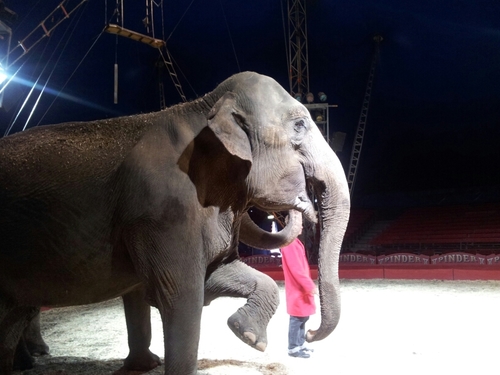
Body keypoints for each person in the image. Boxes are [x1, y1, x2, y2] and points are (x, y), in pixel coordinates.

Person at [280, 237, 317, 358]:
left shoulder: (294, 242)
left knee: (302, 317)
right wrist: (309, 285)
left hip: (300, 288)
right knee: (296, 319)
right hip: (297, 288)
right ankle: (293, 347)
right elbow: (297, 269)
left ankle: (300, 343)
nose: (301, 226)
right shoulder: (290, 244)